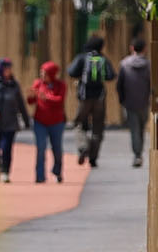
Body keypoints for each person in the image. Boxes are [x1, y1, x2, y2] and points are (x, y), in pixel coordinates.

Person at [68, 37, 114, 167]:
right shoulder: (103, 59)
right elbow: (111, 76)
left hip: (84, 97)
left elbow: (71, 72)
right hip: (99, 97)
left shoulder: (82, 58)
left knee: (79, 124)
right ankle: (93, 158)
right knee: (97, 127)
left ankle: (83, 147)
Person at [29, 59, 69, 184]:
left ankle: (57, 171)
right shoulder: (38, 84)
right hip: (40, 121)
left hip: (57, 122)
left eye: (45, 73)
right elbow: (30, 101)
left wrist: (46, 97)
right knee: (41, 147)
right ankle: (40, 176)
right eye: (41, 73)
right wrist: (31, 96)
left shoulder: (61, 85)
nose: (42, 76)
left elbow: (59, 100)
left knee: (57, 148)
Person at [117, 37, 151, 167]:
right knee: (141, 128)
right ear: (145, 49)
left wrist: (122, 100)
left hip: (129, 103)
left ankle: (137, 155)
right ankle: (139, 152)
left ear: (132, 48)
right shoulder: (148, 65)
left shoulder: (124, 64)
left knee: (134, 129)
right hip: (144, 101)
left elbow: (119, 84)